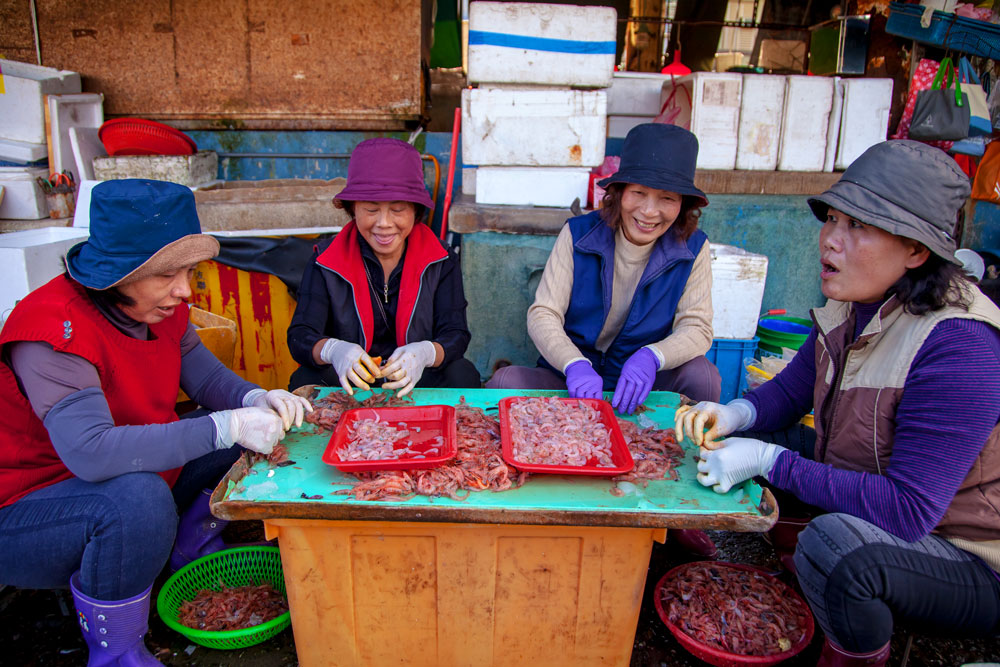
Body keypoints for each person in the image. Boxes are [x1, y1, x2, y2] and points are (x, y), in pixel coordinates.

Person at [675, 141, 1000, 667]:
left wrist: (769, 462)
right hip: (882, 491)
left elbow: (908, 511)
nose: (830, 240)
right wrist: (735, 415)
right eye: (832, 219)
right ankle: (795, 568)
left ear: (917, 250)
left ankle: (851, 650)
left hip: (964, 553)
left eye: (858, 228)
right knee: (751, 440)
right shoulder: (857, 304)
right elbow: (788, 393)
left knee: (835, 550)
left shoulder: (960, 346)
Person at [0, 179, 312, 666]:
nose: (184, 290)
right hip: (30, 504)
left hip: (128, 468)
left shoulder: (159, 310)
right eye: (168, 274)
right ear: (118, 273)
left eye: (187, 271)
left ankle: (183, 550)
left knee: (252, 434)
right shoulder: (50, 331)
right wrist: (225, 425)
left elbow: (207, 377)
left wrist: (255, 398)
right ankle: (117, 650)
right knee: (137, 500)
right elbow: (91, 452)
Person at [487, 123, 721, 413]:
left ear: (682, 204)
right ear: (619, 192)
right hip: (574, 380)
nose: (649, 211)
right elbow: (543, 313)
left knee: (704, 377)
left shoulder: (693, 247)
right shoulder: (579, 234)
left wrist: (652, 356)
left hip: (642, 384)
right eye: (638, 193)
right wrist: (574, 365)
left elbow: (697, 327)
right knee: (504, 382)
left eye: (667, 198)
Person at [287, 137, 480, 395]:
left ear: (415, 210)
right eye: (371, 209)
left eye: (398, 209)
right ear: (353, 209)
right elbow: (301, 335)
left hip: (414, 378)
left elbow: (456, 334)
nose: (384, 223)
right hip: (351, 381)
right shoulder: (326, 260)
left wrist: (424, 353)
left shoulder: (441, 259)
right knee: (304, 377)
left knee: (462, 374)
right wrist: (335, 350)